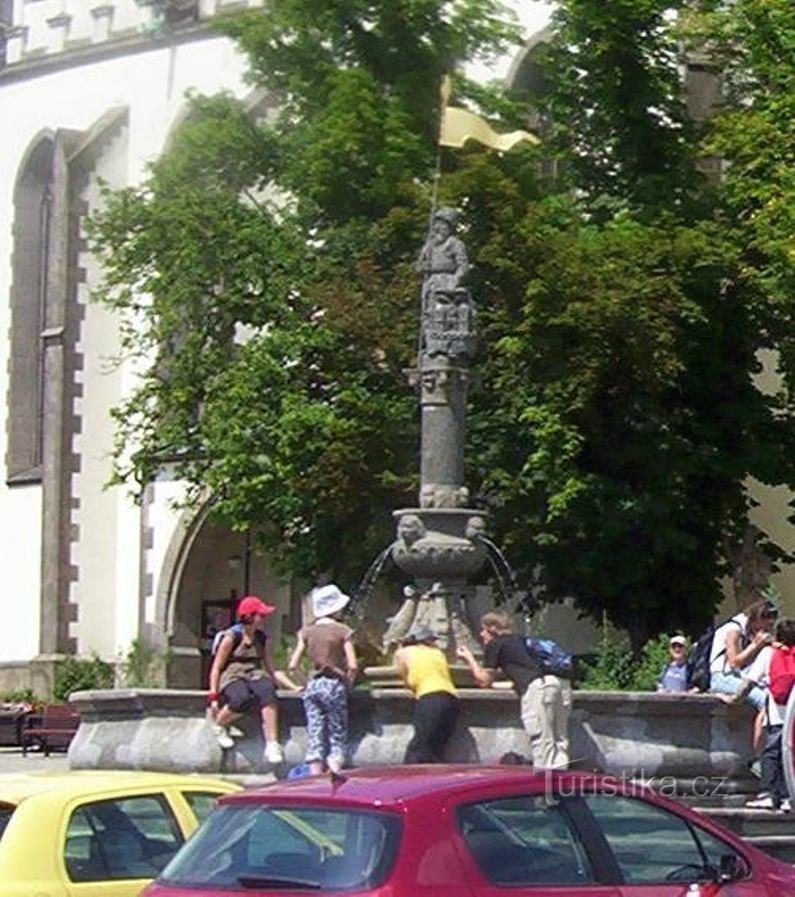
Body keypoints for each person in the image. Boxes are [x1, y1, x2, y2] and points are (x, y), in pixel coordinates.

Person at [457, 611, 570, 770]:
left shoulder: (496, 644)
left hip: (538, 689)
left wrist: (469, 658)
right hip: (559, 685)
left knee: (542, 739)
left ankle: (545, 786)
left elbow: (483, 680)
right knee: (559, 740)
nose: (481, 634)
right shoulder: (521, 641)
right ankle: (562, 781)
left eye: (483, 629)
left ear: (493, 628)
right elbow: (520, 679)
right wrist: (494, 686)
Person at [207, 595, 299, 764]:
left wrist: (293, 687)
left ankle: (272, 743)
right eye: (261, 615)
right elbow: (217, 667)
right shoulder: (231, 637)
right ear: (249, 617)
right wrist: (213, 695)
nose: (264, 619)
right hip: (232, 675)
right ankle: (219, 724)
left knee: (267, 690)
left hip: (254, 673)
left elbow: (272, 668)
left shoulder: (262, 639)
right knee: (241, 697)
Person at [288, 584, 358, 775]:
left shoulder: (306, 632)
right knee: (337, 732)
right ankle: (334, 771)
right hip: (334, 685)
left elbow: (292, 665)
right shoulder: (343, 631)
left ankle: (314, 775)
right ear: (336, 608)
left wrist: (305, 682)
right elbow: (353, 665)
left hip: (314, 685)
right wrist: (347, 682)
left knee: (315, 732)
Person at [744, 618, 795, 811]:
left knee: (771, 753)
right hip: (794, 718)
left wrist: (733, 698)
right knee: (789, 756)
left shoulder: (769, 653)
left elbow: (750, 681)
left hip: (777, 714)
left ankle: (767, 793)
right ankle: (787, 797)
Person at [394, 625, 459, 763]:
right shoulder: (438, 653)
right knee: (437, 747)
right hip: (452, 699)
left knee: (418, 748)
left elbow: (406, 680)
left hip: (430, 698)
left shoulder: (403, 653)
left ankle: (411, 779)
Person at [709, 600, 777, 710]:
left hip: (737, 678)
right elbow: (734, 662)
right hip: (722, 678)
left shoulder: (745, 632)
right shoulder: (733, 630)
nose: (766, 630)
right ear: (758, 619)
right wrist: (755, 644)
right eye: (766, 625)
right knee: (764, 700)